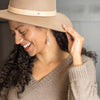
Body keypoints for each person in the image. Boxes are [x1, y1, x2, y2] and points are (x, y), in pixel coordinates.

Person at [0, 0, 100, 100]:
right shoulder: (15, 67)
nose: (17, 41)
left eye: (22, 31)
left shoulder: (82, 65)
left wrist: (77, 61)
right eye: (13, 33)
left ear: (44, 26)